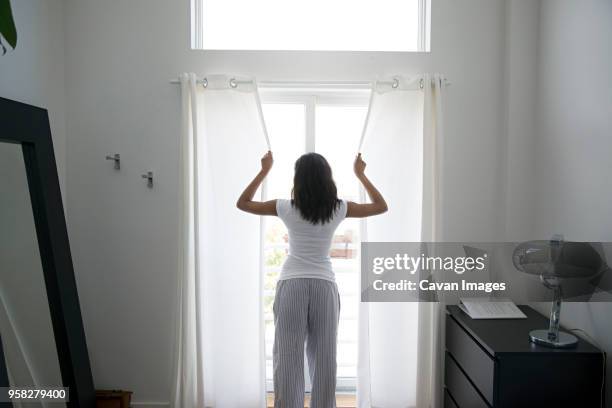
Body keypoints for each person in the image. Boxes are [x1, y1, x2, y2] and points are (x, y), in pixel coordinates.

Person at [237, 151, 387, 407]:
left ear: (298, 180)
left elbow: (243, 203)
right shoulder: (339, 208)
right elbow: (381, 206)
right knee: (324, 356)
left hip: (292, 284)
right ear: (327, 179)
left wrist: (264, 170)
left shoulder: (285, 207)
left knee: (288, 355)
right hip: (324, 286)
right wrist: (361, 175)